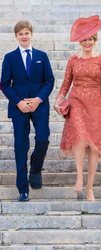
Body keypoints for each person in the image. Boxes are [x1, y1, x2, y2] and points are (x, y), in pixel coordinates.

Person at [54, 15, 101, 201]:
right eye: (84, 39)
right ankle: (80, 177)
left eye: (90, 39)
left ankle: (90, 187)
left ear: (94, 40)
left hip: (97, 104)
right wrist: (58, 101)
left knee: (95, 146)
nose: (87, 42)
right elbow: (66, 84)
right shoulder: (73, 60)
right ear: (79, 41)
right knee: (80, 137)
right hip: (77, 103)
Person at [1, 20, 55, 202]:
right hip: (19, 107)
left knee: (43, 138)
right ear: (16, 37)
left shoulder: (42, 56)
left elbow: (49, 81)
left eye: (26, 33)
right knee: (21, 146)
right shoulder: (10, 58)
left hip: (39, 106)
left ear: (31, 34)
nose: (24, 36)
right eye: (20, 34)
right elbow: (4, 84)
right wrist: (18, 102)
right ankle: (23, 188)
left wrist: (39, 99)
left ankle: (36, 168)